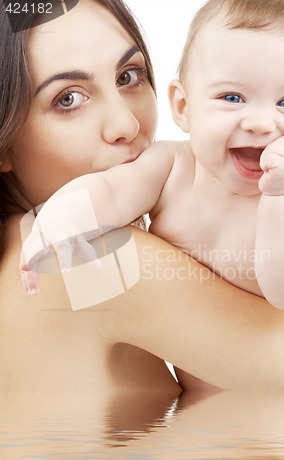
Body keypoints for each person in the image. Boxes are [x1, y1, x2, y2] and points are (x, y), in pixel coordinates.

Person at [1, 0, 284, 397]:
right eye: (67, 98)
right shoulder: (92, 256)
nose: (127, 124)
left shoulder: (17, 244)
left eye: (129, 76)